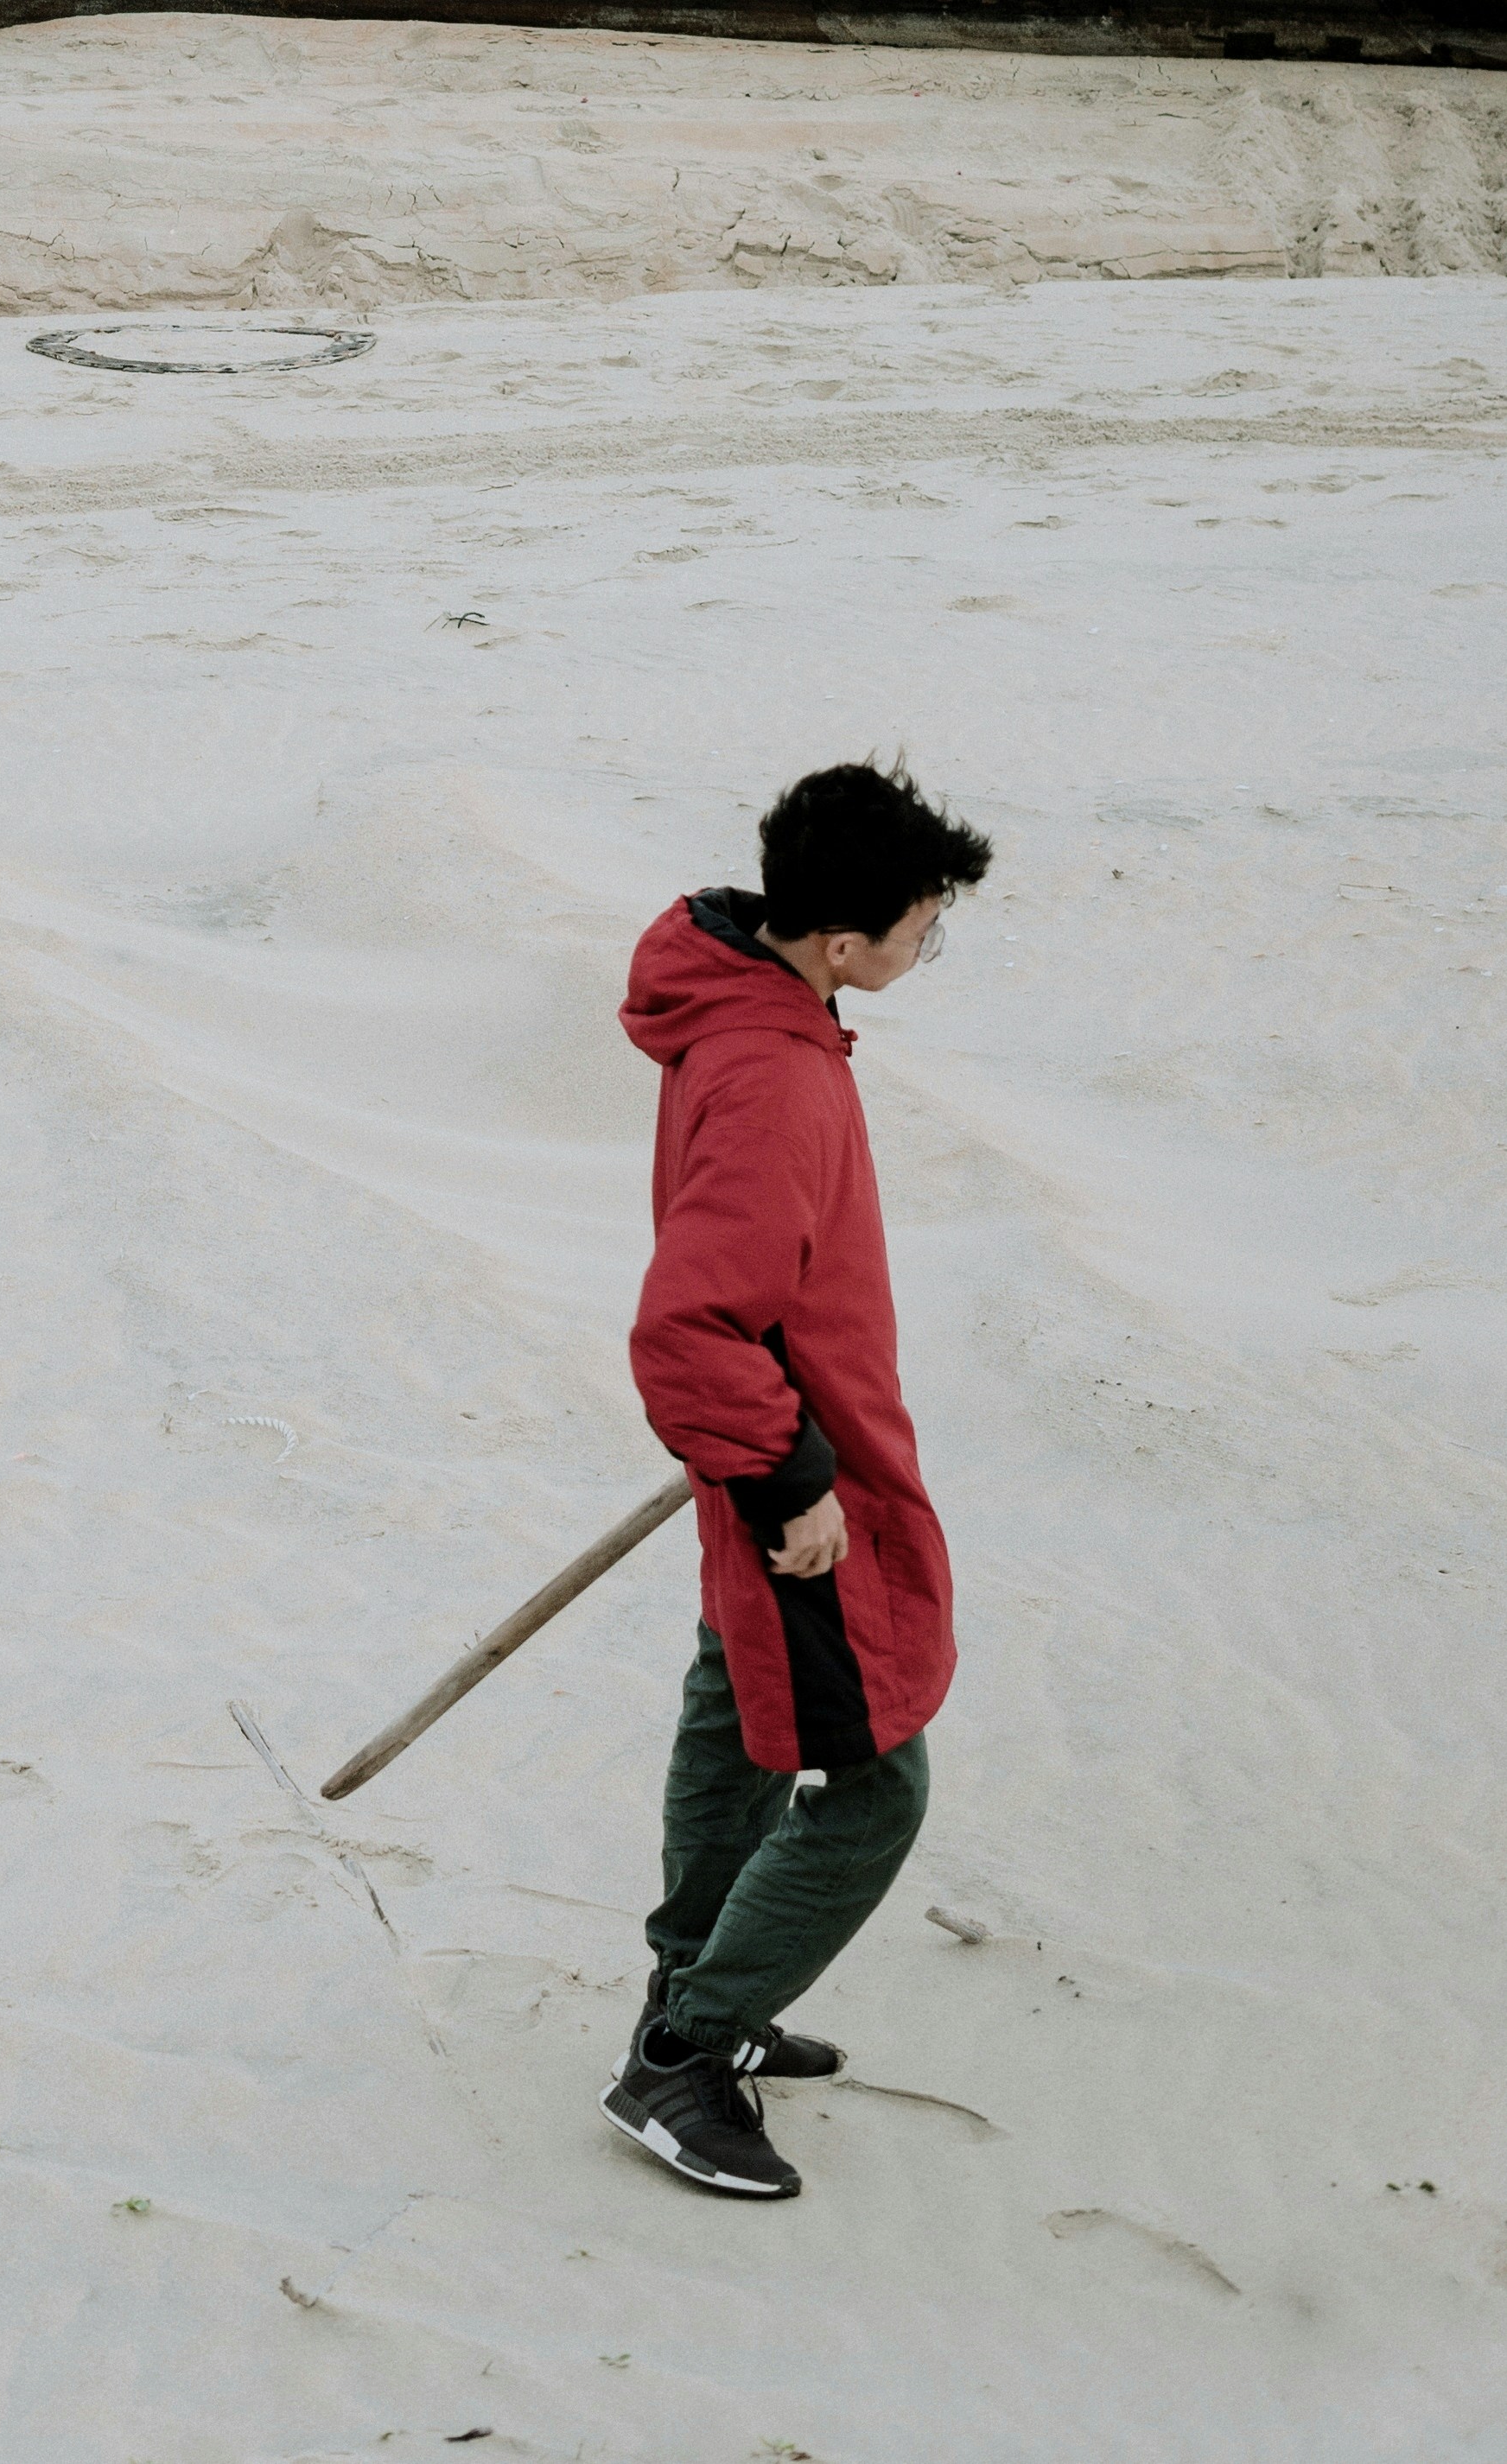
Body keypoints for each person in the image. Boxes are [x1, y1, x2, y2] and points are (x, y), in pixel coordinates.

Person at [598, 756, 993, 2200]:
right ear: (843, 943)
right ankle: (681, 2059)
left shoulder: (766, 1007)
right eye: (921, 925)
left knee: (739, 1715)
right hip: (802, 1487)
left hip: (778, 1452)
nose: (924, 946)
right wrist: (789, 1486)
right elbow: (687, 1325)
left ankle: (694, 1991)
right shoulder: (772, 1076)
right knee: (876, 1783)